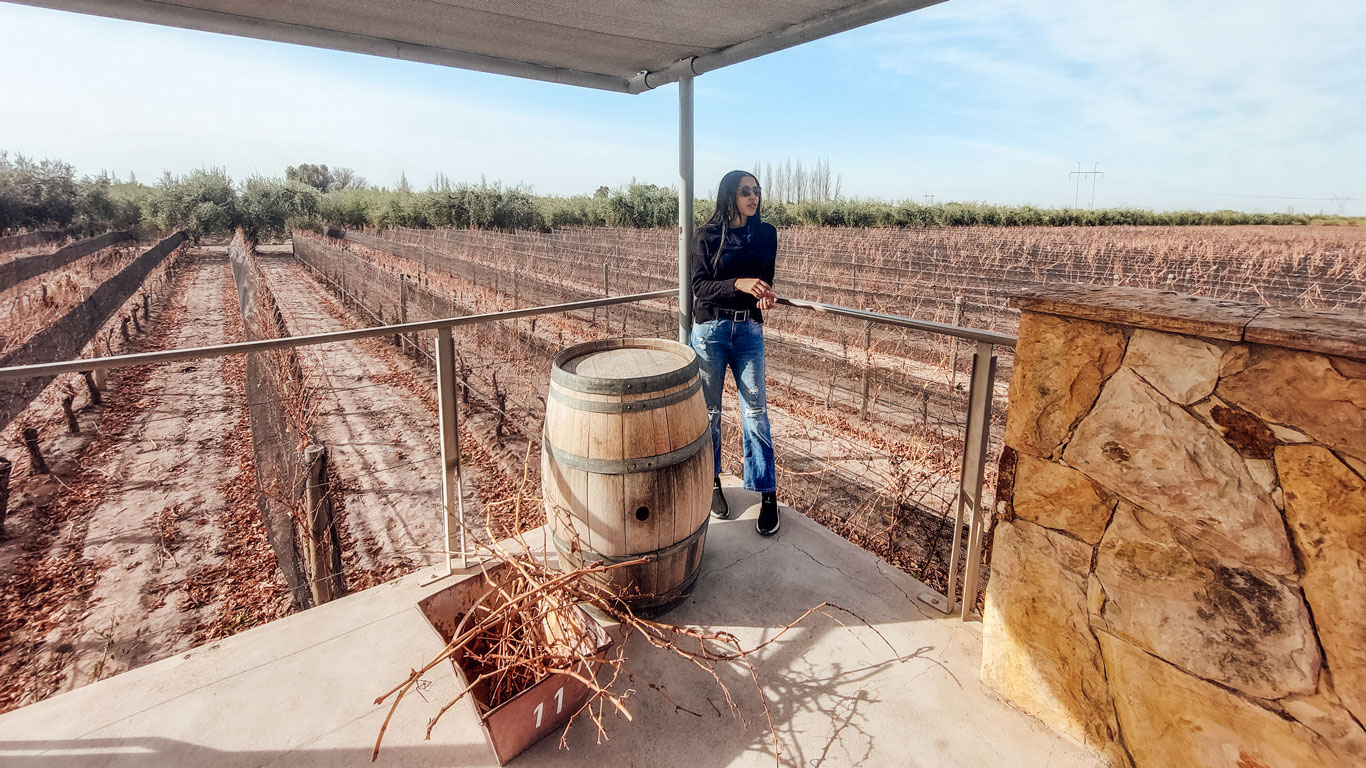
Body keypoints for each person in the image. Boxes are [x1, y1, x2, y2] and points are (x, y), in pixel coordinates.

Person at [689, 170, 780, 536]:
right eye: (746, 191)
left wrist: (765, 295)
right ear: (729, 195)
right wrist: (738, 284)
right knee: (709, 412)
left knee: (755, 412)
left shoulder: (766, 234)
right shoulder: (706, 236)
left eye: (756, 191)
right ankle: (711, 482)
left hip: (748, 331)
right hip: (710, 330)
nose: (753, 197)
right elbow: (699, 287)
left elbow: (766, 279)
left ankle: (766, 492)